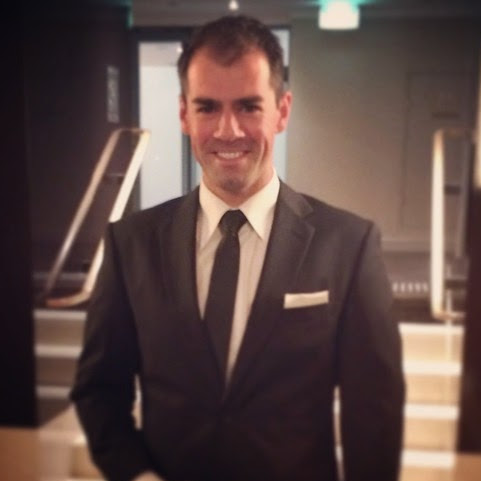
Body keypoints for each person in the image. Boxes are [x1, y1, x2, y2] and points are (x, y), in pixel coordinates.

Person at [71, 15, 405, 481]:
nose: (228, 131)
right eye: (207, 107)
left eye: (249, 106)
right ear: (184, 114)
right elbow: (99, 391)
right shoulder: (131, 245)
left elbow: (374, 415)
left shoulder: (349, 245)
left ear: (282, 111)